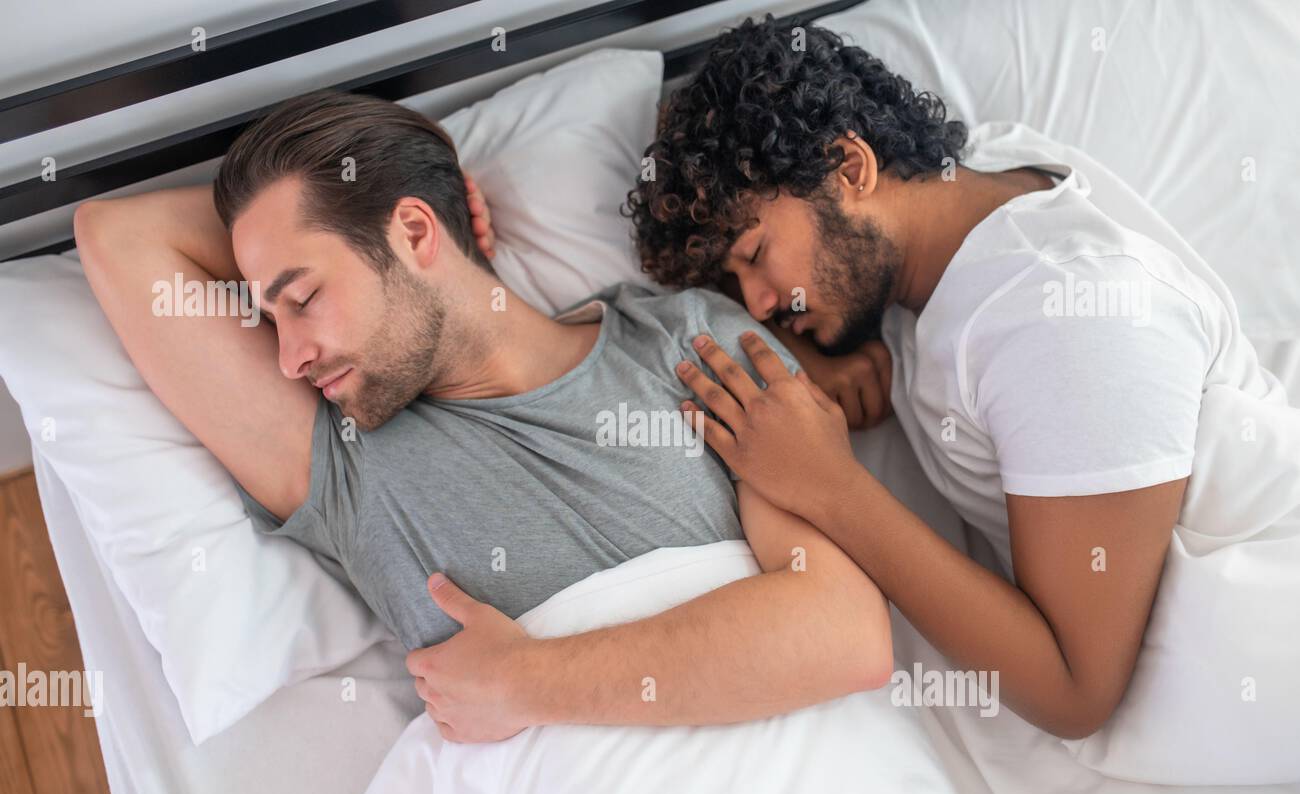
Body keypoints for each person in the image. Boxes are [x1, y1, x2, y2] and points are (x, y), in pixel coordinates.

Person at [74, 89, 892, 743]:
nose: (287, 357)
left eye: (303, 298)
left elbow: (844, 632)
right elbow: (114, 234)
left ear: (415, 232)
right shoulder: (349, 465)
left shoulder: (691, 341)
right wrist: (394, 179)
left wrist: (522, 683)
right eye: (268, 312)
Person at [612, 17, 1277, 740]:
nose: (762, 305)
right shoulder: (972, 184)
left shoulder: (1066, 320)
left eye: (756, 255)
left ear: (851, 166)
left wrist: (831, 487)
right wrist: (842, 347)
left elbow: (1074, 691)